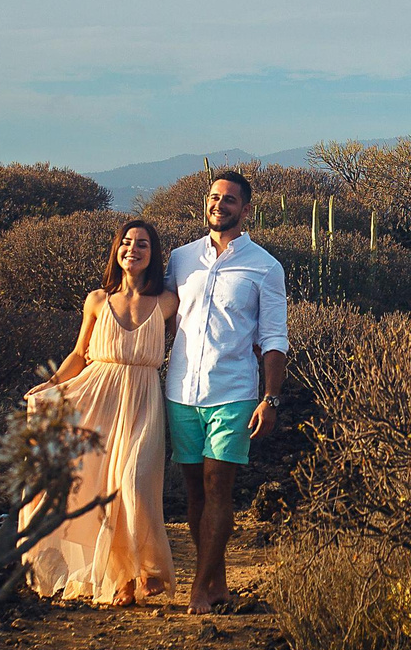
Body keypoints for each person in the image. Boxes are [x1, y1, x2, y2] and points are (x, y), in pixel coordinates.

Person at [21, 218, 177, 606]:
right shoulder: (96, 300)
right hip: (97, 397)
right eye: (126, 243)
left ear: (153, 254)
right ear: (116, 250)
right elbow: (79, 353)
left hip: (143, 401)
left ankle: (146, 568)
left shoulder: (168, 301)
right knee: (101, 490)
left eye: (143, 244)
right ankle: (121, 580)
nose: (133, 249)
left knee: (135, 482)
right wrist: (52, 385)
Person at [164, 171, 287, 614]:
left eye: (230, 199)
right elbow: (153, 307)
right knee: (194, 491)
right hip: (180, 391)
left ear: (246, 209)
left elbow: (274, 337)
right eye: (214, 197)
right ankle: (214, 581)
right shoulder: (180, 259)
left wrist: (270, 398)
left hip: (232, 391)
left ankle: (200, 589)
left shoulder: (265, 266)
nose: (220, 204)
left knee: (219, 487)